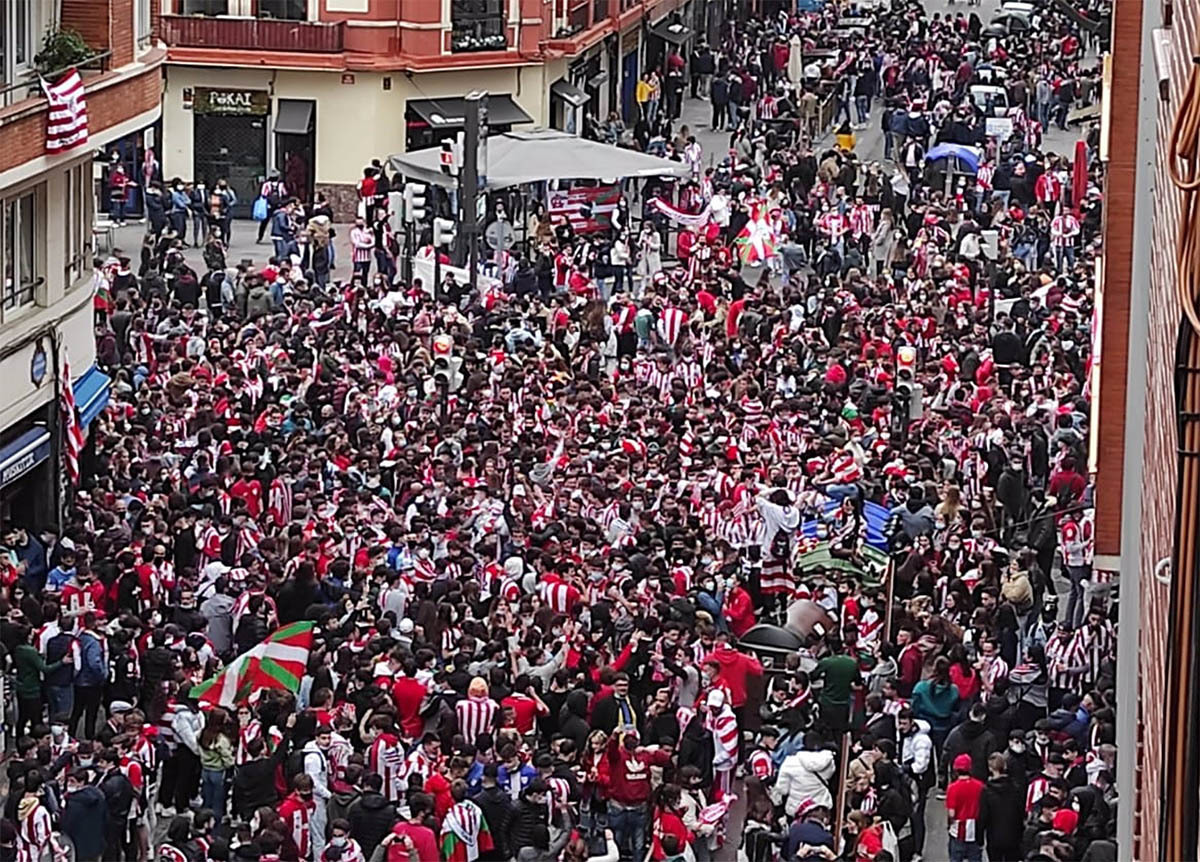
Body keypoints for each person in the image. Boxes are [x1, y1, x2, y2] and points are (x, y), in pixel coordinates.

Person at [946, 753, 985, 862]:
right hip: (975, 830)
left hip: (958, 831)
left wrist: (949, 824)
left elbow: (952, 813)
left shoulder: (952, 788)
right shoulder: (980, 786)